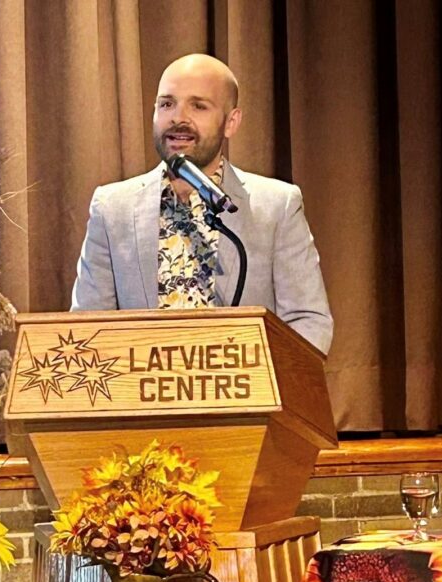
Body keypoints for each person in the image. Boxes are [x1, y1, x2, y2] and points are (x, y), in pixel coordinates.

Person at [71, 53, 333, 355]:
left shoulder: (277, 206)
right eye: (167, 104)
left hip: (242, 384)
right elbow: (87, 329)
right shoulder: (111, 207)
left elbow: (308, 322)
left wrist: (261, 377)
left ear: (231, 122)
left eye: (198, 106)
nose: (178, 118)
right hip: (142, 383)